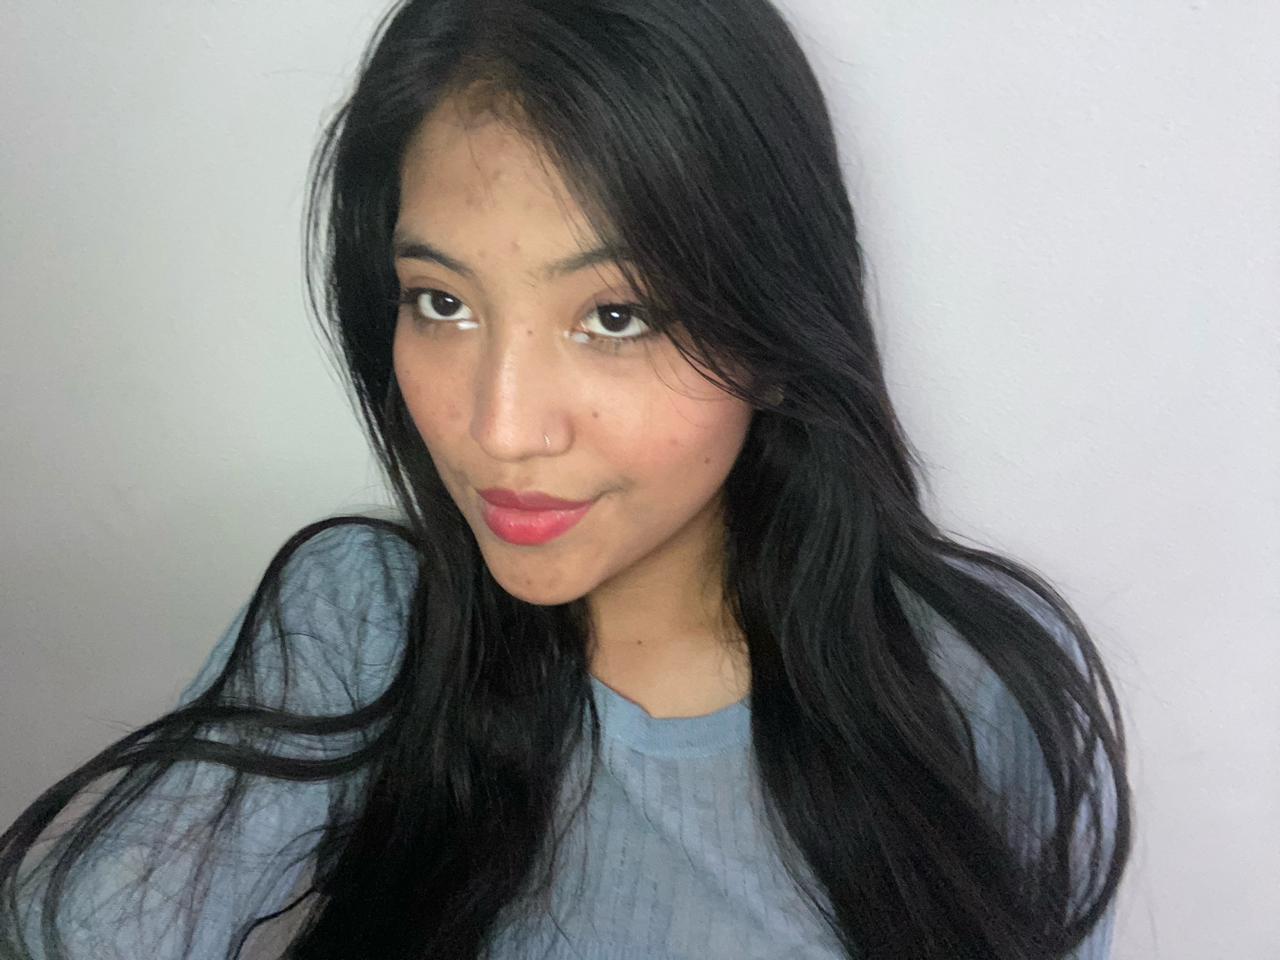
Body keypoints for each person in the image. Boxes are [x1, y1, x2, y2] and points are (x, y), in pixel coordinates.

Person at [0, 0, 1132, 957]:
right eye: (442, 302)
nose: (500, 431)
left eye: (616, 315)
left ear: (777, 327)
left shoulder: (972, 684)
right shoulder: (365, 621)